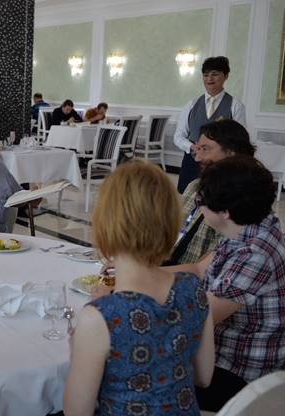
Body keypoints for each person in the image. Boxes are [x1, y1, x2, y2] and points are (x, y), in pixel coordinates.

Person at [63, 160, 214, 416]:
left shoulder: (100, 316)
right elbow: (204, 377)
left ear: (105, 224)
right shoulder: (194, 289)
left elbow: (76, 411)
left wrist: (76, 346)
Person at [166, 156, 285, 412]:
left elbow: (200, 315)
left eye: (201, 203)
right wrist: (141, 273)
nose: (198, 208)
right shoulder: (252, 225)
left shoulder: (254, 253)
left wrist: (132, 296)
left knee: (135, 377)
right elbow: (198, 269)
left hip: (238, 371)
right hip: (220, 352)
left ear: (225, 212)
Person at [166, 119, 255, 265]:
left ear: (231, 154)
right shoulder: (195, 186)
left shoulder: (243, 200)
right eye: (198, 149)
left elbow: (205, 270)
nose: (198, 158)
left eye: (205, 149)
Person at [174, 56, 246, 193]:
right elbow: (178, 136)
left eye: (215, 74)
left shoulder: (236, 106)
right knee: (187, 200)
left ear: (225, 76)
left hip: (220, 165)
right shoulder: (191, 105)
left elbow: (240, 140)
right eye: (206, 75)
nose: (209, 79)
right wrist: (191, 147)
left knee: (215, 199)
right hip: (193, 160)